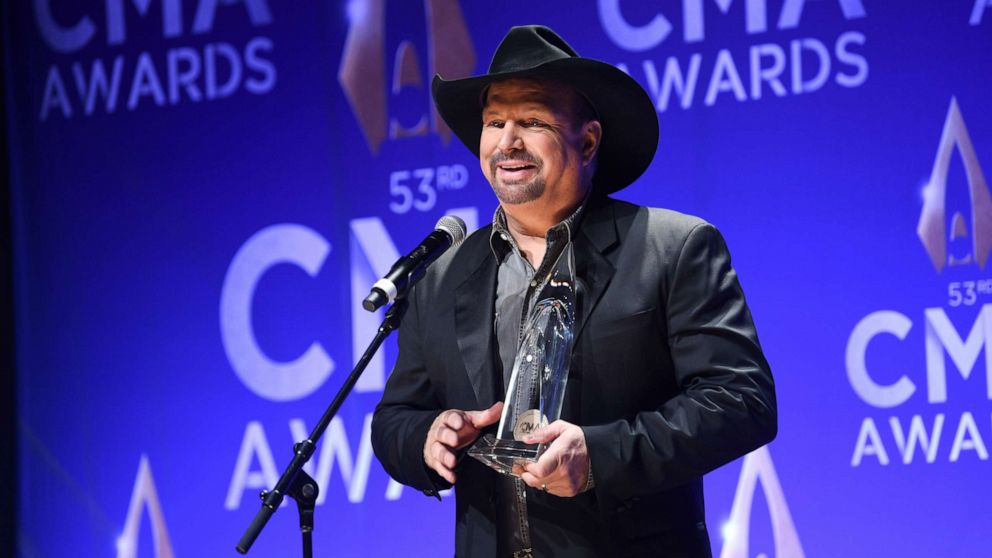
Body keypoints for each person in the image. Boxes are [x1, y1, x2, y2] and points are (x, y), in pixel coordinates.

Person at [371, 25, 776, 558]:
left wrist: (599, 456)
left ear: (587, 140)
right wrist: (427, 438)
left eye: (532, 120)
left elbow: (742, 401)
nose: (506, 140)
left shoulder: (672, 248)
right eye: (495, 122)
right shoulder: (443, 277)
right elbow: (396, 418)